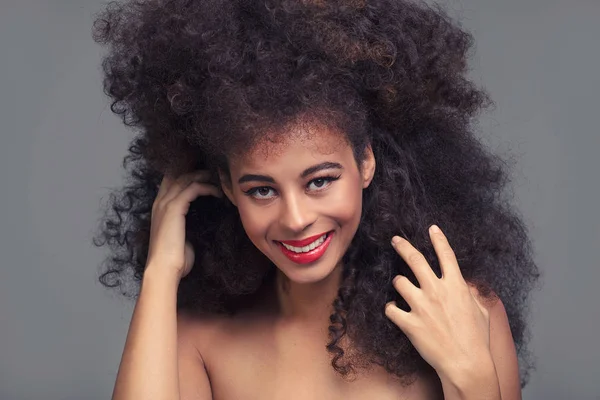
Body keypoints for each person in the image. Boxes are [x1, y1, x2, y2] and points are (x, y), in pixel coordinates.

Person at [91, 0, 540, 398]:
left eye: (319, 181)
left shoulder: (468, 314)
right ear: (228, 188)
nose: (296, 218)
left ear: (365, 162)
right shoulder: (199, 338)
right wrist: (160, 272)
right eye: (261, 190)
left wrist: (473, 379)